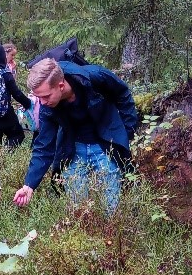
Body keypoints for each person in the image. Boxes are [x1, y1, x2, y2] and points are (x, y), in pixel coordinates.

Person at [13, 58, 139, 215]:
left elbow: (123, 93)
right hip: (72, 148)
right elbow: (44, 146)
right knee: (77, 209)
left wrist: (128, 131)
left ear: (61, 86)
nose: (42, 102)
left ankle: (111, 231)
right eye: (39, 97)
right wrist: (29, 185)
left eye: (46, 96)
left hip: (105, 144)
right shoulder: (47, 107)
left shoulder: (95, 76)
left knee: (111, 204)